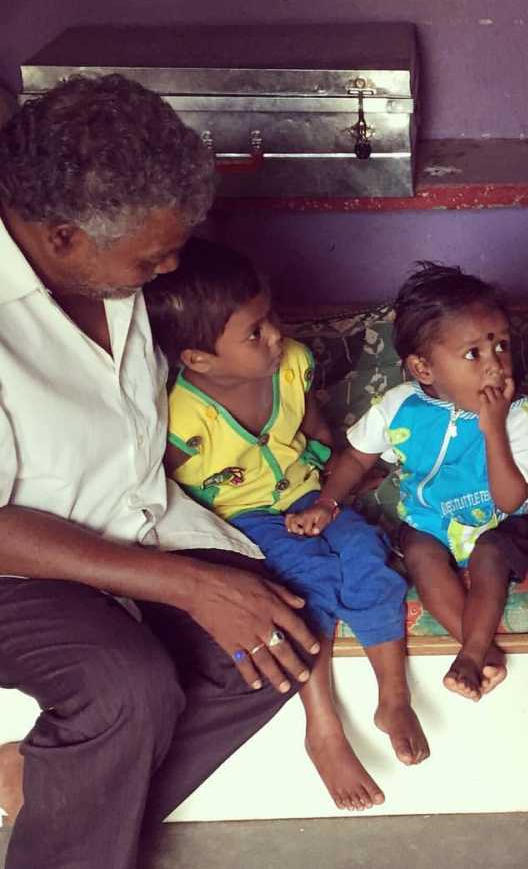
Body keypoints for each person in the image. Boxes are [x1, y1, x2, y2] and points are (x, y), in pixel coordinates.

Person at [0, 74, 322, 869]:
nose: (171, 266)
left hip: (137, 526)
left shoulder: (107, 272)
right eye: (153, 257)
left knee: (281, 633)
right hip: (18, 569)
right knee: (124, 689)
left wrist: (196, 578)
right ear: (63, 236)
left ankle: (53, 786)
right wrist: (186, 586)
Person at [144, 237, 430, 811]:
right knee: (309, 588)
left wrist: (336, 485)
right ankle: (322, 727)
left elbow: (315, 428)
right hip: (243, 519)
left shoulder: (292, 364)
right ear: (197, 358)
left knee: (370, 558)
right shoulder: (178, 417)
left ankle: (393, 696)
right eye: (254, 332)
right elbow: (161, 492)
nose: (275, 334)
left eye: (270, 316)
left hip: (307, 494)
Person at [293, 263, 528, 701]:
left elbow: (509, 501)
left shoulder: (517, 413)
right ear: (424, 369)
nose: (496, 365)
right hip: (430, 521)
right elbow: (356, 457)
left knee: (490, 554)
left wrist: (492, 430)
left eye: (501, 345)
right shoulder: (400, 406)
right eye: (474, 354)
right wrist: (327, 503)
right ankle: (485, 653)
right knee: (420, 554)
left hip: (502, 522)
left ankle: (470, 655)